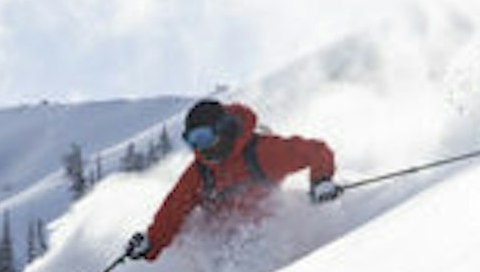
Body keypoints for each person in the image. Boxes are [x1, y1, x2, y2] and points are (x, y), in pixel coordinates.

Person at [125, 98, 341, 262]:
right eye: (192, 142)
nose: (200, 148)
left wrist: (321, 181)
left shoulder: (261, 152)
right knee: (188, 233)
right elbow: (173, 209)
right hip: (219, 241)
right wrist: (151, 242)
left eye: (204, 138)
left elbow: (316, 152)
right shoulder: (201, 171)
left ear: (223, 129)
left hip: (266, 231)